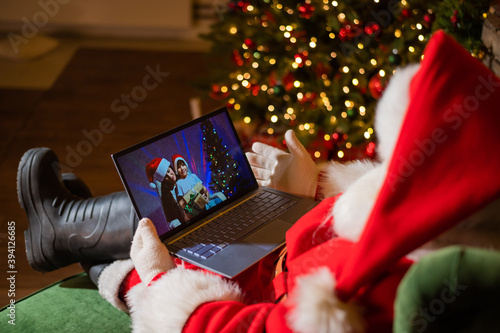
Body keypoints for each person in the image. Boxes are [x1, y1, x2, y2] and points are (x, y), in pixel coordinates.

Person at [17, 31, 500, 332]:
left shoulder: (382, 297)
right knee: (219, 213)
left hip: (257, 289)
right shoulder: (460, 213)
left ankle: (70, 236)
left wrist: (160, 283)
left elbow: (245, 328)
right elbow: (389, 205)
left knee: (145, 260)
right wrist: (310, 190)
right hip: (283, 261)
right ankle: (64, 229)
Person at [172, 154, 225, 218]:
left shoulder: (193, 176)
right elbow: (181, 203)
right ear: (176, 170)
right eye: (179, 167)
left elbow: (204, 189)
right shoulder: (179, 183)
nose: (182, 168)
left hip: (204, 201)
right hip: (195, 207)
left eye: (183, 165)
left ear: (186, 165)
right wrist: (187, 205)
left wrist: (206, 197)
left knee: (219, 200)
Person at [145, 157, 184, 229]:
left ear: (171, 168)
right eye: (165, 176)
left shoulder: (183, 178)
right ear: (163, 181)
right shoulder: (167, 196)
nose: (170, 175)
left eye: (169, 171)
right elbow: (170, 219)